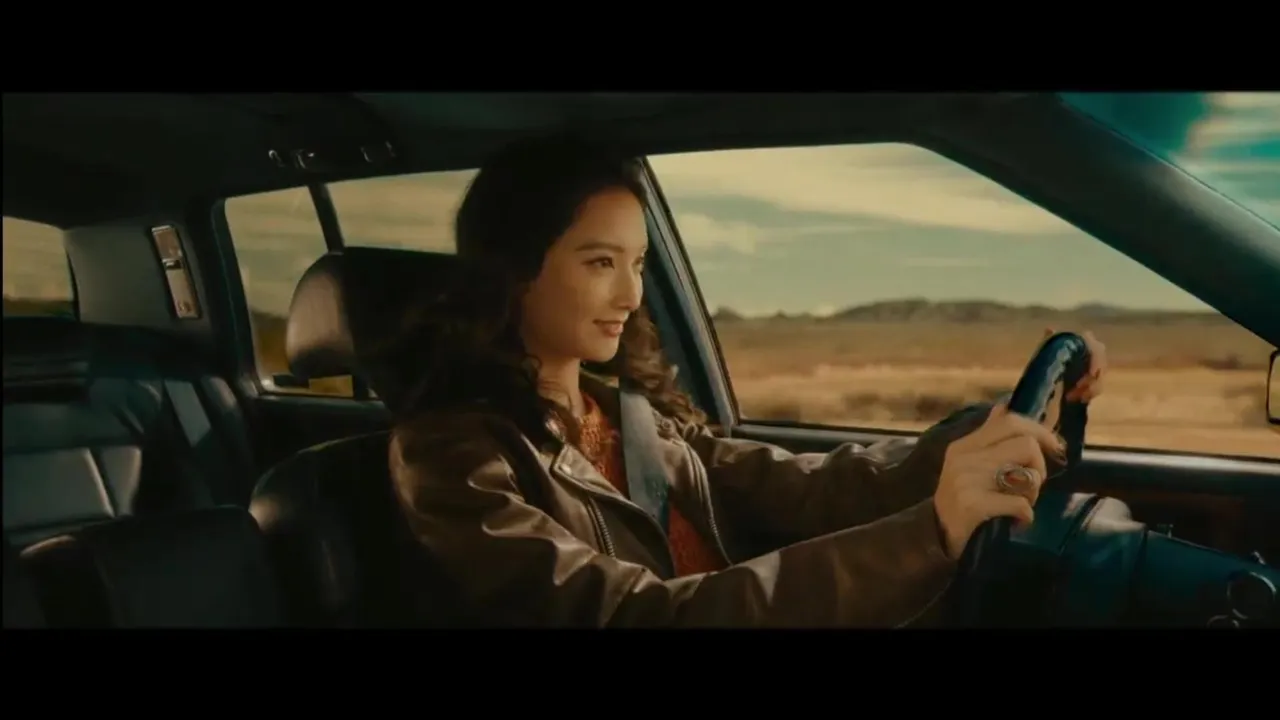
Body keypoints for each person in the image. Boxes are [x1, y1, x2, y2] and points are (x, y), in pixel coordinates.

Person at [384, 134, 1107, 627]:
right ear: (514, 269)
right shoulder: (451, 461)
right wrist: (930, 533)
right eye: (600, 263)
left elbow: (807, 488)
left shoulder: (633, 418)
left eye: (638, 265)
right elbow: (637, 616)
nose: (631, 296)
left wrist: (983, 433)